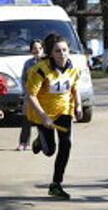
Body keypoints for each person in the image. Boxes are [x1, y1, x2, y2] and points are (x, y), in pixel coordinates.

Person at [26, 34, 82, 199]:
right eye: (58, 51)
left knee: (66, 144)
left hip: (64, 111)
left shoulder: (72, 68)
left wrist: (78, 105)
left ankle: (56, 184)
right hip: (43, 114)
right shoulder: (40, 70)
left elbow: (75, 87)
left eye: (65, 50)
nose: (63, 54)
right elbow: (31, 95)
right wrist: (43, 117)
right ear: (51, 53)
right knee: (50, 150)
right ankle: (39, 141)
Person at [17, 39, 44, 151]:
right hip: (29, 96)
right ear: (31, 50)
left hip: (44, 97)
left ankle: (42, 142)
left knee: (42, 121)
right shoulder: (28, 63)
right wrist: (26, 91)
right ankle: (24, 142)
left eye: (39, 48)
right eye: (34, 48)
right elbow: (23, 79)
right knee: (26, 119)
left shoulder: (47, 62)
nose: (37, 50)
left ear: (43, 49)